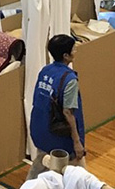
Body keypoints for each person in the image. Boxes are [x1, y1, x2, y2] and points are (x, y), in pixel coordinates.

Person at [28, 34, 85, 177]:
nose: (76, 51)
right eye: (73, 49)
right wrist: (77, 142)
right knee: (76, 174)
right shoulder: (70, 80)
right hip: (59, 136)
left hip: (40, 129)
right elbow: (68, 113)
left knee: (40, 164)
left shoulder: (45, 71)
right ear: (66, 55)